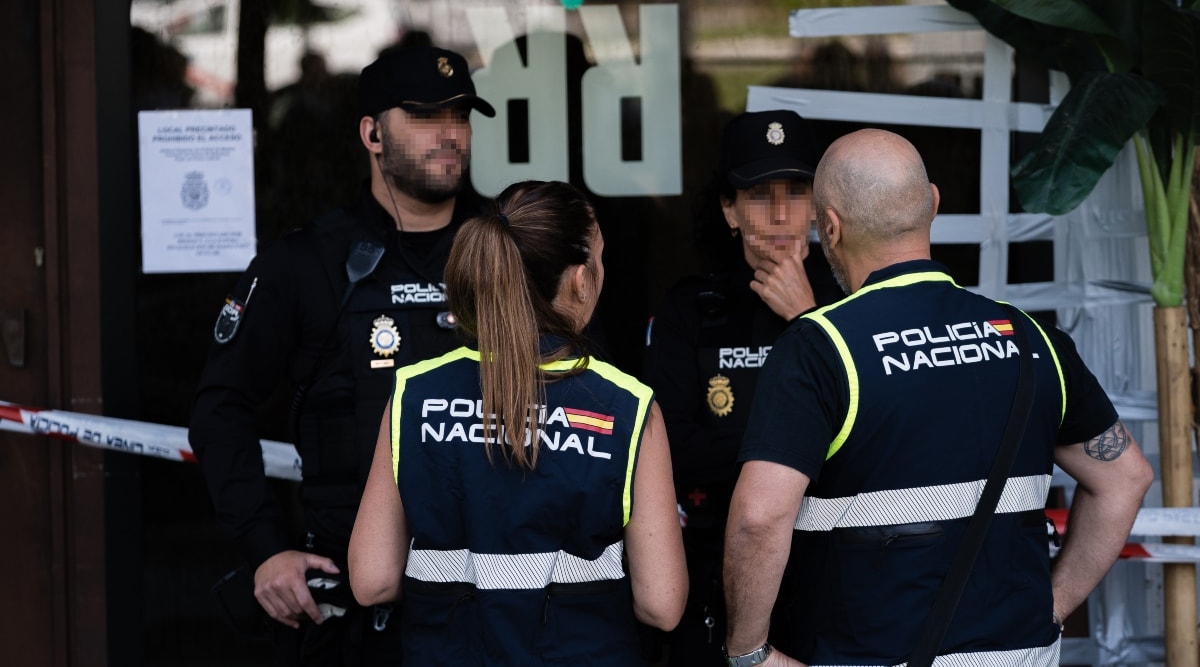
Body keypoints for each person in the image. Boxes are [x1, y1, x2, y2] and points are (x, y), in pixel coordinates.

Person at [721, 129, 1154, 667]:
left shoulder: (821, 347)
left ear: (829, 226)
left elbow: (759, 518)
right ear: (933, 203)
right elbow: (1126, 477)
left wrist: (749, 652)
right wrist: (1050, 606)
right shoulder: (1031, 339)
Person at [188, 45, 495, 666]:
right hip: (349, 612)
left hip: (494, 597)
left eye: (460, 117)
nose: (450, 135)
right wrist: (266, 547)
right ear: (372, 133)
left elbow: (591, 404)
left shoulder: (510, 252)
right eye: (425, 117)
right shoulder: (308, 264)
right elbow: (221, 409)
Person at [347, 180, 688, 665]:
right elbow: (663, 604)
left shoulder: (414, 394)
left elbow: (371, 579)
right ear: (578, 279)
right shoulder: (626, 407)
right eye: (599, 258)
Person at [642, 109, 842, 665]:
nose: (780, 213)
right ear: (729, 209)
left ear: (819, 206)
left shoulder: (851, 302)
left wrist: (807, 320)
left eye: (796, 191)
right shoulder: (692, 308)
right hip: (716, 566)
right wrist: (799, 450)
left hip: (832, 567)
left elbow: (876, 437)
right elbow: (671, 451)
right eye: (758, 194)